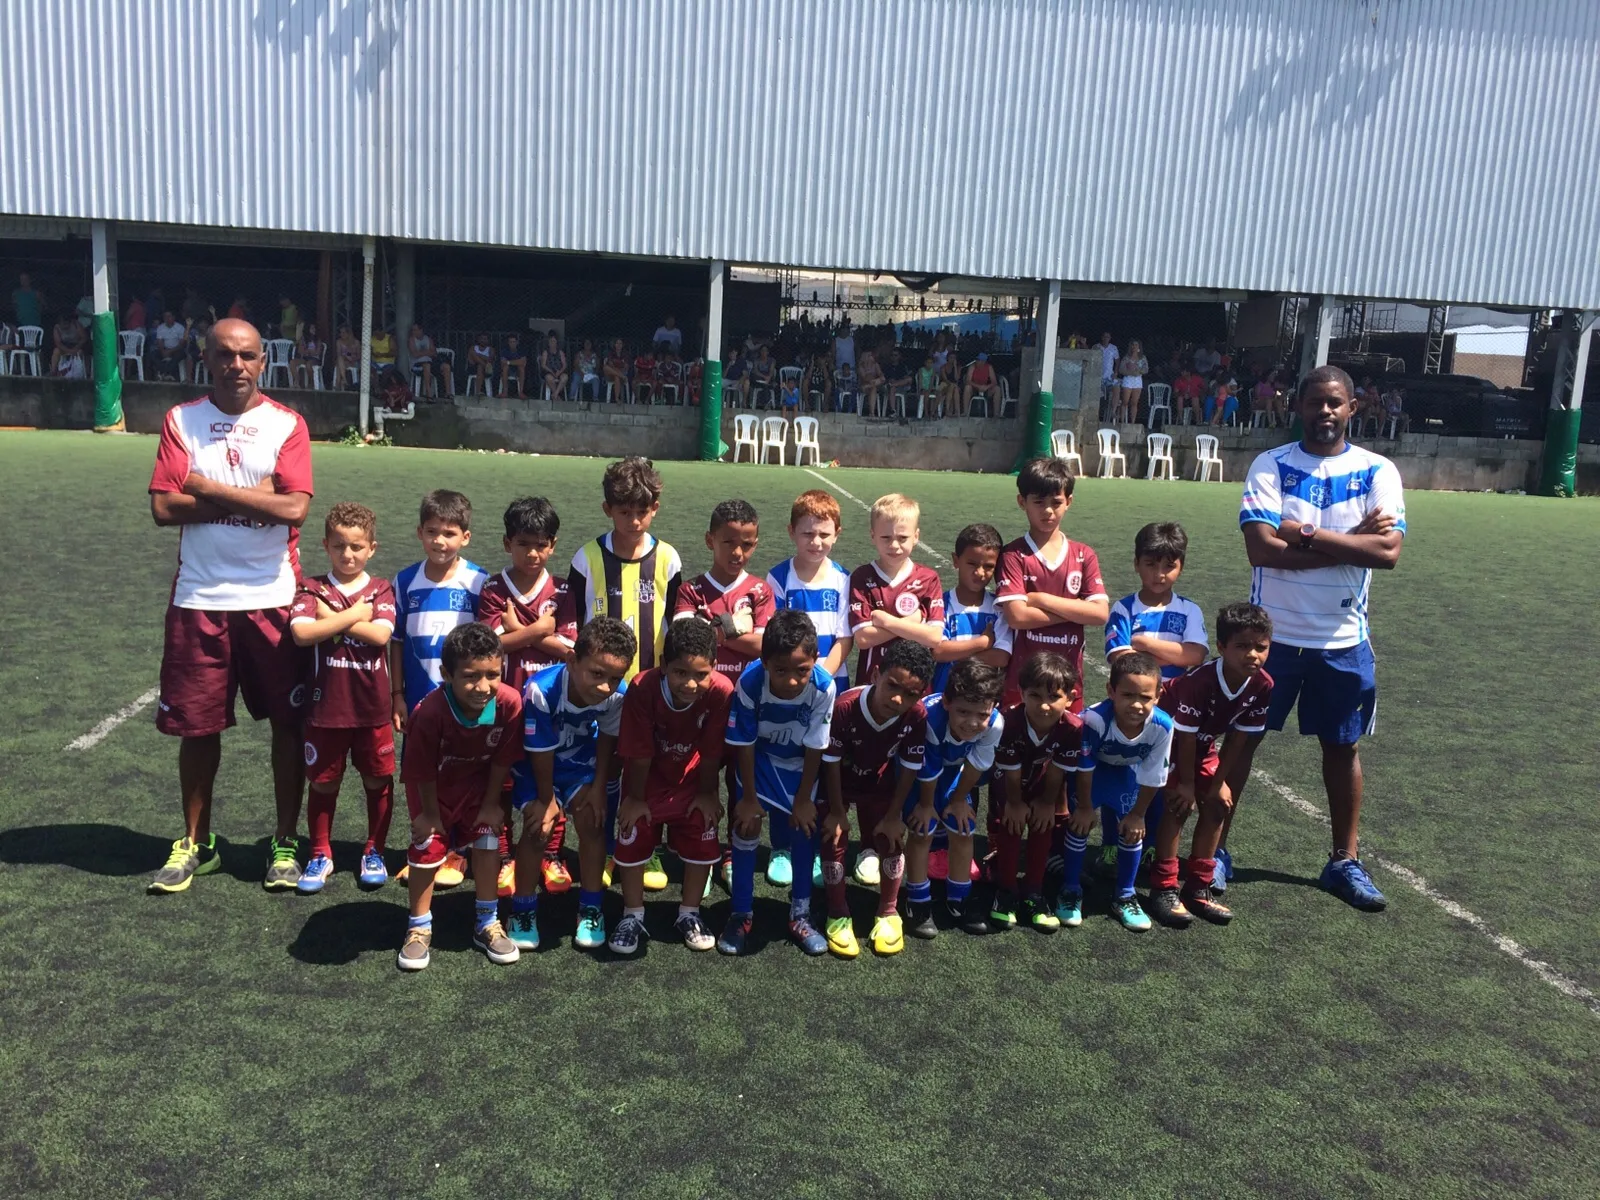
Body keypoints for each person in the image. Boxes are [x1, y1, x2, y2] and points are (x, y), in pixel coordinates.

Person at [145, 318, 314, 894]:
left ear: (263, 362)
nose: (235, 365)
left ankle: (285, 841)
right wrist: (256, 499)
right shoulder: (181, 419)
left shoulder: (286, 424)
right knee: (198, 727)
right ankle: (197, 842)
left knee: (289, 724)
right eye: (224, 355)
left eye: (246, 355)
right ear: (207, 359)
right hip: (199, 598)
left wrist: (207, 487)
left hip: (272, 598)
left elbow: (293, 510)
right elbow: (165, 508)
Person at [1239, 364, 1405, 911]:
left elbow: (1387, 554)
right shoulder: (1273, 466)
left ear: (1353, 408)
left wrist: (1308, 534)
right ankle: (1211, 853)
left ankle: (1344, 861)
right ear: (1300, 407)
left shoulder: (1377, 470)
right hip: (1270, 638)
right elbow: (1262, 550)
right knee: (1242, 740)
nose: (1325, 412)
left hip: (1342, 639)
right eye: (1316, 403)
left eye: (1336, 403)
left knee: (1342, 747)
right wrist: (1348, 541)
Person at [396, 623, 525, 971]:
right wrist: (429, 813)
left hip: (479, 786)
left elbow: (502, 759)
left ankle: (486, 921)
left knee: (487, 840)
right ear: (446, 674)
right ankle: (418, 926)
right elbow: (419, 767)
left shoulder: (510, 703)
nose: (482, 686)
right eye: (470, 676)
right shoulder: (430, 712)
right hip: (433, 788)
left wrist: (490, 803)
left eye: (492, 674)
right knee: (428, 844)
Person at [288, 502, 398, 893]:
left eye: (356, 547)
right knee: (322, 784)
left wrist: (330, 618)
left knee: (377, 780)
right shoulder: (310, 587)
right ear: (325, 545)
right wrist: (356, 615)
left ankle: (375, 850)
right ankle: (321, 853)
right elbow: (302, 634)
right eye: (339, 547)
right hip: (326, 708)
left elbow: (382, 635)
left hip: (372, 708)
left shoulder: (382, 588)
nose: (347, 555)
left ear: (372, 548)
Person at [611, 617, 734, 954]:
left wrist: (708, 792)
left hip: (692, 780)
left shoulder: (722, 691)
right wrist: (636, 798)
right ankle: (633, 914)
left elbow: (712, 749)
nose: (691, 684)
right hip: (647, 779)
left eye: (701, 674)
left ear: (714, 667)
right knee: (633, 827)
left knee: (703, 826)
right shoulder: (643, 686)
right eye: (681, 673)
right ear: (664, 666)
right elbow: (637, 750)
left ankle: (689, 913)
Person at [1147, 603, 1274, 927]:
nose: (1253, 655)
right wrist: (1187, 785)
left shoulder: (1263, 685)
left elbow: (1237, 739)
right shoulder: (1198, 682)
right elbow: (1184, 739)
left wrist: (1218, 783)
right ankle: (1163, 888)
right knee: (1179, 805)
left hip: (1201, 747)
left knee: (1218, 805)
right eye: (1242, 646)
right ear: (1221, 648)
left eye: (1261, 647)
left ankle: (1198, 887)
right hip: (1165, 743)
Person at [515, 617, 635, 951]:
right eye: (597, 674)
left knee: (592, 821)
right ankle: (522, 910)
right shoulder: (542, 690)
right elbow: (539, 750)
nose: (605, 687)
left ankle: (591, 907)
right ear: (571, 660)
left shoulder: (618, 695)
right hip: (538, 768)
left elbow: (607, 739)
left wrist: (598, 788)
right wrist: (546, 799)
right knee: (538, 828)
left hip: (581, 765)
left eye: (615, 678)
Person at [722, 611, 838, 956]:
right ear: (764, 661)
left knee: (805, 828)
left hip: (800, 765)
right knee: (746, 825)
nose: (791, 681)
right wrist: (747, 797)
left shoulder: (823, 687)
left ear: (815, 660)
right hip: (758, 762)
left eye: (801, 670)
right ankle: (741, 913)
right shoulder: (750, 682)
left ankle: (800, 914)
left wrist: (804, 799)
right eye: (781, 670)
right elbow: (743, 741)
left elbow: (817, 744)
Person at [390, 490, 490, 887]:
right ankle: (426, 843)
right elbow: (396, 641)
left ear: (465, 536)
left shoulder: (479, 581)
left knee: (464, 773)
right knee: (421, 772)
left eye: (449, 533)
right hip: (419, 701)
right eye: (431, 532)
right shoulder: (405, 580)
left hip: (465, 703)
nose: (439, 541)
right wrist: (397, 694)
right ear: (419, 532)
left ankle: (459, 849)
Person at [477, 497, 574, 896]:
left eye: (541, 544)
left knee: (550, 775)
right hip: (497, 702)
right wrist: (541, 630)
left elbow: (572, 650)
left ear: (552, 545)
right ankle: (502, 857)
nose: (532, 553)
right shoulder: (492, 589)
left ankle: (550, 854)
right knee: (496, 780)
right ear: (507, 543)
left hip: (552, 703)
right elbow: (490, 649)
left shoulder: (565, 589)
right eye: (523, 544)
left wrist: (520, 630)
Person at [819, 640, 934, 957]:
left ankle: (888, 911)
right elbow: (828, 763)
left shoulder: (916, 716)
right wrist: (837, 811)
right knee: (834, 835)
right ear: (875, 674)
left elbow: (910, 767)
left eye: (910, 694)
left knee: (891, 836)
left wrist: (895, 815)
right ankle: (838, 911)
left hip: (879, 781)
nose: (898, 698)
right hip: (838, 783)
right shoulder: (844, 707)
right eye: (892, 686)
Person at [1058, 651, 1173, 932]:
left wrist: (1138, 815)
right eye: (1128, 694)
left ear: (1158, 695)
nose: (1136, 704)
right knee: (1079, 826)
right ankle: (1070, 889)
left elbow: (1154, 775)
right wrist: (1085, 807)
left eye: (1145, 697)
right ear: (1111, 691)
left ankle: (1124, 894)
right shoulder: (1095, 720)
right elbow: (1083, 767)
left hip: (1125, 774)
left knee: (1132, 831)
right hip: (1092, 775)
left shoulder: (1163, 726)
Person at [994, 456, 1109, 709]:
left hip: (1069, 685)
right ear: (1022, 502)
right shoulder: (1013, 555)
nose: (1048, 510)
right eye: (1038, 502)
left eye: (1056, 502)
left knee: (1066, 744)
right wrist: (1076, 611)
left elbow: (1100, 614)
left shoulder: (1083, 554)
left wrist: (1041, 599)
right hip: (1022, 685)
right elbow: (1017, 618)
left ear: (1068, 502)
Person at [904, 659, 1006, 939]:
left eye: (981, 714)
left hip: (954, 773)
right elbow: (927, 767)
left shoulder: (995, 724)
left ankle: (959, 898)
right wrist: (926, 806)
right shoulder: (928, 717)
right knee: (922, 829)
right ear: (947, 702)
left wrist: (959, 799)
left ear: (993, 707)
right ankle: (917, 900)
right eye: (963, 711)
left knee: (963, 829)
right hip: (916, 773)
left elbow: (976, 764)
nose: (972, 722)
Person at [989, 653, 1081, 933]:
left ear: (1070, 697)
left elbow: (1057, 772)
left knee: (1043, 825)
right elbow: (1010, 773)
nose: (1044, 705)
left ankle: (1033, 893)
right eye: (1035, 695)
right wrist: (1015, 804)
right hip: (1008, 783)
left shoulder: (1074, 728)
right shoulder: (1008, 723)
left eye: (1054, 696)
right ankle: (1005, 891)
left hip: (1042, 784)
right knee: (1012, 825)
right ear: (1021, 692)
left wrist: (1046, 803)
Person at [849, 493, 946, 684]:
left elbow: (934, 637)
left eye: (902, 538)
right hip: (871, 682)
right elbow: (863, 638)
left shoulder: (928, 578)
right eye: (886, 537)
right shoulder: (862, 577)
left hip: (914, 684)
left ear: (916, 536)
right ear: (872, 536)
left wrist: (886, 621)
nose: (894, 545)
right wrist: (911, 622)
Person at [1105, 522, 1208, 683]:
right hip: (1136, 694)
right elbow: (1121, 659)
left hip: (1177, 695)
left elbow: (1196, 655)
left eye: (1169, 566)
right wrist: (1177, 657)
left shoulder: (1189, 610)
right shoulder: (1123, 609)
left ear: (1181, 568)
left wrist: (1145, 644)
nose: (1159, 574)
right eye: (1150, 564)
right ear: (1136, 564)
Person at [407, 324, 447, 398]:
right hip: (417, 365)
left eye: (415, 330)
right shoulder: (411, 340)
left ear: (421, 330)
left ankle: (448, 393)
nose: (413, 332)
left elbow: (434, 353)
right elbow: (415, 354)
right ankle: (429, 394)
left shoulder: (428, 339)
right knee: (427, 365)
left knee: (446, 366)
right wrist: (427, 352)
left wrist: (422, 353)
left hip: (430, 363)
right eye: (413, 330)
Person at [1115, 340, 1148, 424]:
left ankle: (1132, 422)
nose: (1134, 347)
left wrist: (1138, 370)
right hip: (1128, 379)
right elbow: (1121, 369)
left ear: (1139, 347)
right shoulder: (1126, 357)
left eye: (1136, 345)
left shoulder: (1143, 358)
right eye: (1133, 345)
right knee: (1125, 401)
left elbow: (1146, 369)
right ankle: (1122, 421)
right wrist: (1130, 371)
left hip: (1137, 380)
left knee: (1134, 402)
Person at [151, 310, 188, 380]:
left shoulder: (180, 328)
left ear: (173, 317)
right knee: (153, 355)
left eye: (169, 316)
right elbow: (160, 342)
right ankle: (167, 372)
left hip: (176, 349)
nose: (167, 318)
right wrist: (163, 351)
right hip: (165, 349)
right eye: (165, 317)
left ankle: (164, 372)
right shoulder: (160, 327)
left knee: (179, 355)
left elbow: (182, 344)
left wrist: (170, 351)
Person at [963, 352, 1003, 417]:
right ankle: (965, 412)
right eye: (977, 360)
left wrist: (986, 387)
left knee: (997, 389)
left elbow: (994, 381)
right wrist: (978, 386)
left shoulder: (989, 367)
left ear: (983, 361)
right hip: (974, 388)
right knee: (967, 387)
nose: (977, 361)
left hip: (985, 389)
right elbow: (968, 380)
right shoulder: (972, 366)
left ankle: (996, 414)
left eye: (979, 360)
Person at [290, 321, 325, 389]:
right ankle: (297, 381)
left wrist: (310, 352)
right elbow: (300, 350)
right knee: (292, 362)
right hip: (305, 358)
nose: (314, 330)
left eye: (314, 328)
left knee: (309, 365)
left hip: (314, 359)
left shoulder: (318, 340)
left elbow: (317, 352)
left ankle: (311, 382)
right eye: (312, 328)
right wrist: (305, 350)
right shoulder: (303, 339)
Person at [51, 312, 87, 376]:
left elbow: (83, 338)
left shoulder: (76, 325)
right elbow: (58, 343)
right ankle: (54, 372)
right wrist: (69, 351)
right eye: (62, 324)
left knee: (80, 352)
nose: (64, 326)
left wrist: (75, 348)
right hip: (64, 346)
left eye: (65, 324)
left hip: (76, 345)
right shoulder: (57, 328)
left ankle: (80, 373)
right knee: (56, 351)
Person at [856, 348, 885, 417]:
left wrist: (879, 377)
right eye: (869, 355)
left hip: (872, 385)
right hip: (863, 385)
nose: (871, 356)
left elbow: (881, 374)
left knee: (875, 386)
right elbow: (865, 378)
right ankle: (872, 413)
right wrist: (873, 379)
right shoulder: (861, 367)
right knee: (873, 386)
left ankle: (871, 413)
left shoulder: (876, 365)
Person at [539, 333, 568, 401]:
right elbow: (543, 365)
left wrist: (559, 372)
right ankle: (557, 397)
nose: (552, 343)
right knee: (549, 379)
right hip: (549, 372)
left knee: (565, 378)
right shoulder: (545, 352)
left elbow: (564, 365)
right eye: (551, 341)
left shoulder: (560, 352)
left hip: (559, 371)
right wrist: (551, 371)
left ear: (556, 343)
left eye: (554, 341)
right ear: (548, 343)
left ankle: (555, 394)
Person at [1097, 332, 1119, 420]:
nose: (1106, 338)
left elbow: (1117, 361)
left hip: (1109, 376)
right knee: (1097, 394)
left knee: (1116, 387)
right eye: (1104, 337)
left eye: (1108, 337)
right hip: (1098, 377)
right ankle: (1096, 414)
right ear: (1102, 338)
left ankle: (1113, 412)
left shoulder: (1113, 348)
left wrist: (1116, 372)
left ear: (1110, 338)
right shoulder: (1096, 347)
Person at [500, 333, 528, 399]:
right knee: (505, 368)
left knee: (521, 368)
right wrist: (516, 362)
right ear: (508, 343)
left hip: (518, 370)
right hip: (508, 370)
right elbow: (503, 363)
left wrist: (509, 362)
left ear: (517, 342)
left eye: (514, 342)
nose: (512, 343)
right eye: (510, 342)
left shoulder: (521, 349)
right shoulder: (505, 350)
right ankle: (505, 392)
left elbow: (523, 362)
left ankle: (520, 392)